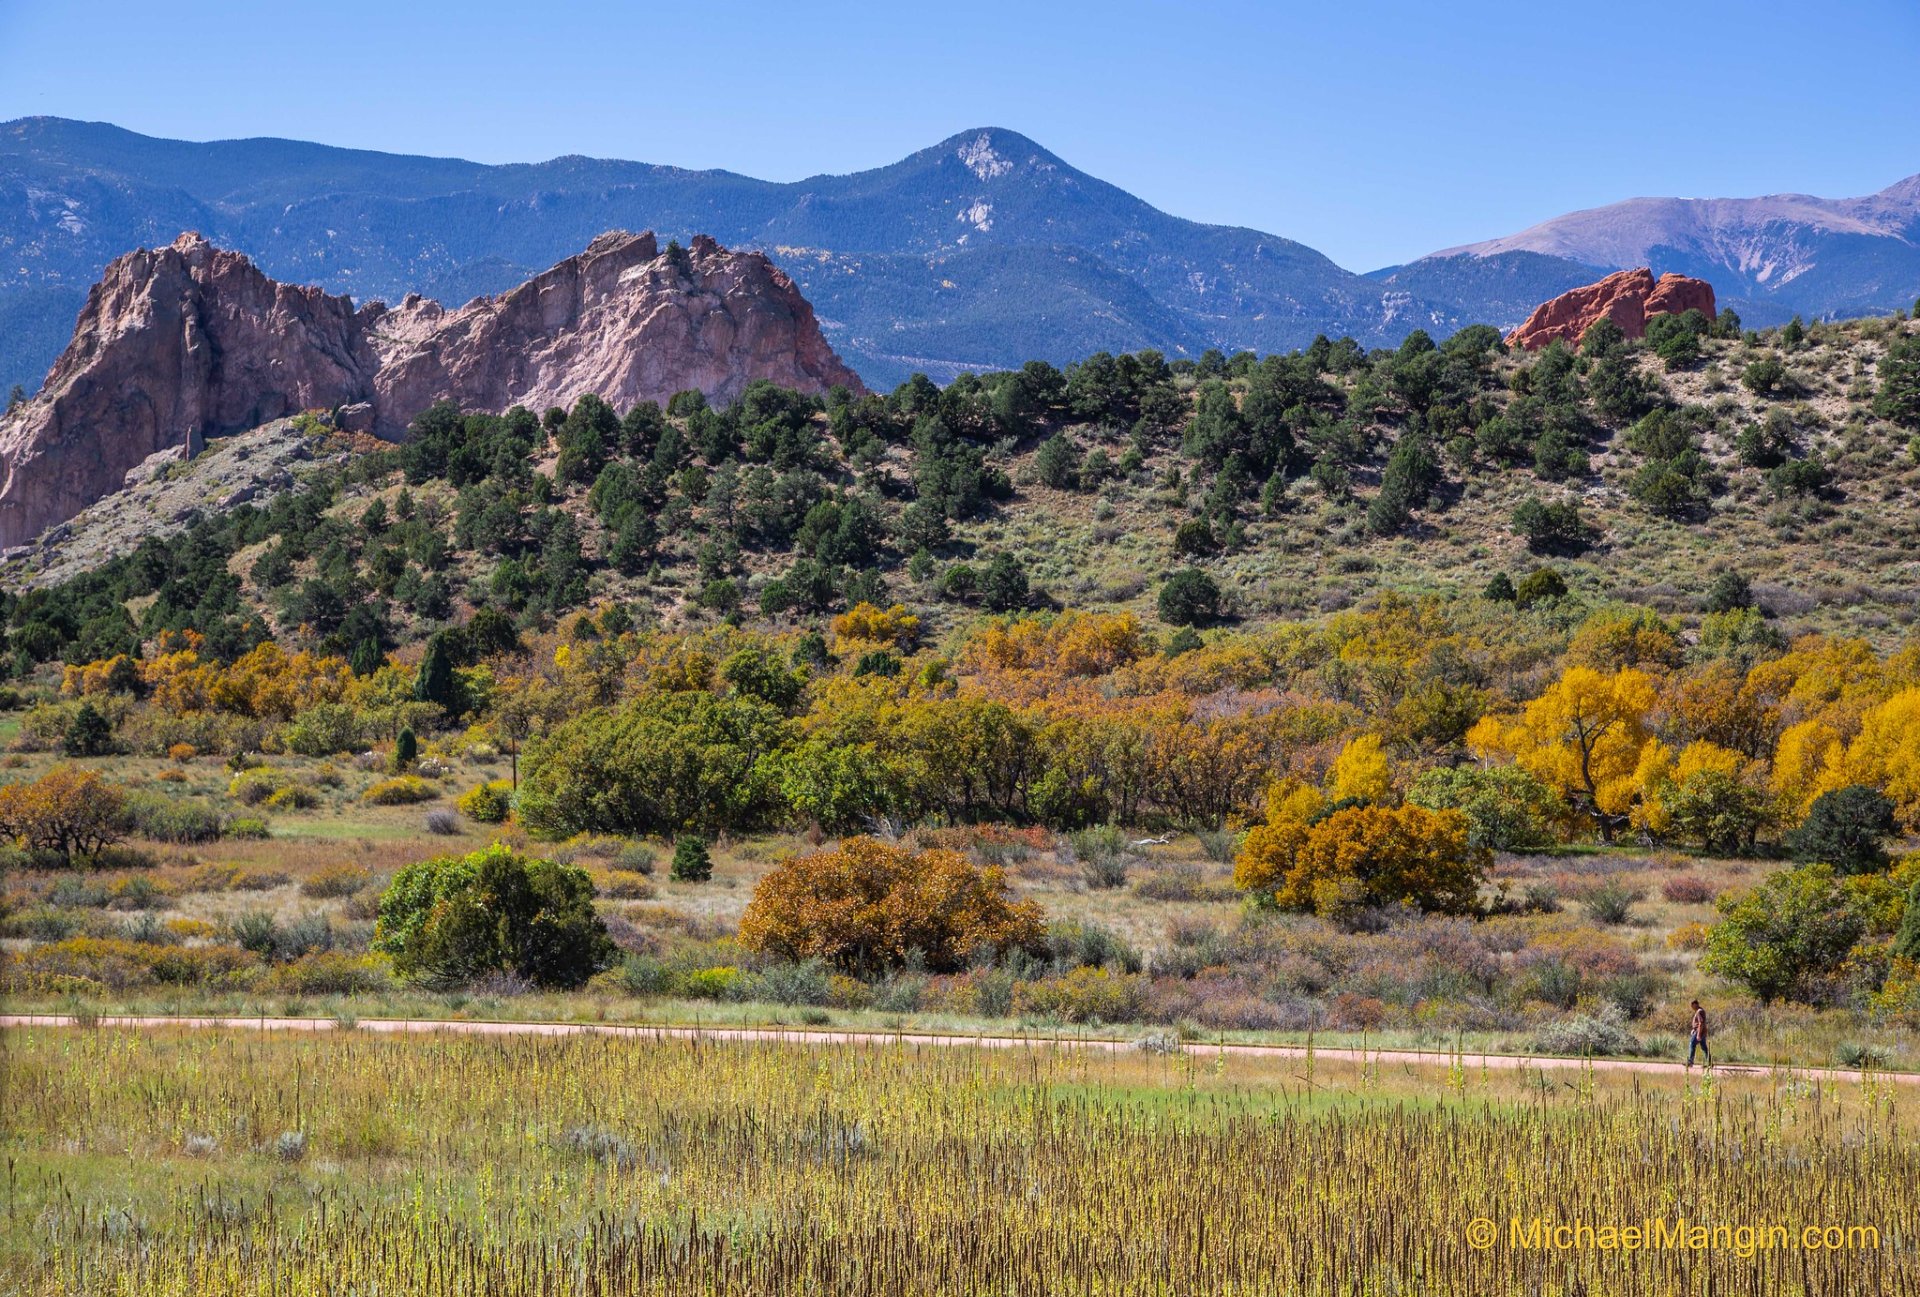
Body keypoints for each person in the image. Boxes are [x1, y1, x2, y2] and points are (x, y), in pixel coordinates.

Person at [1686, 1000, 1711, 1070]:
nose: (1691, 1007)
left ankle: (1690, 1061)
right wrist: (1694, 1029)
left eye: (1692, 1005)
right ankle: (1709, 1062)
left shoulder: (1699, 1011)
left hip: (1699, 1031)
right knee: (1704, 1047)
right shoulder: (1700, 1011)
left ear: (1695, 1004)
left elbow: (1701, 1023)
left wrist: (1698, 1034)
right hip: (1700, 1031)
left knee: (1692, 1044)